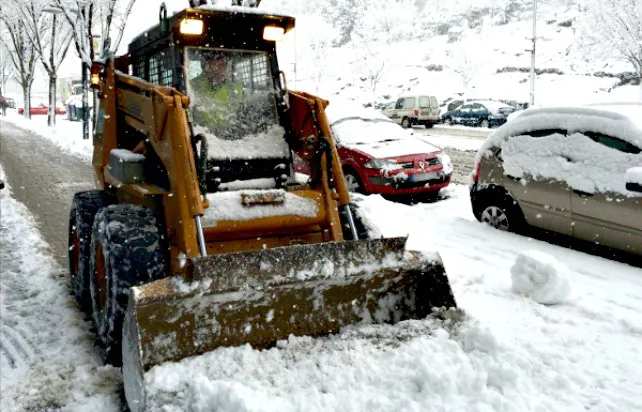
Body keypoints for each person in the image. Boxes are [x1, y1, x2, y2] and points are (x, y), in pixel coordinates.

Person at [189, 51, 244, 139]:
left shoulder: (236, 88)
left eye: (222, 65)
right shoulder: (191, 87)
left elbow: (241, 118)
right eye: (214, 65)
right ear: (205, 66)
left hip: (231, 142)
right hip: (198, 141)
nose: (219, 70)